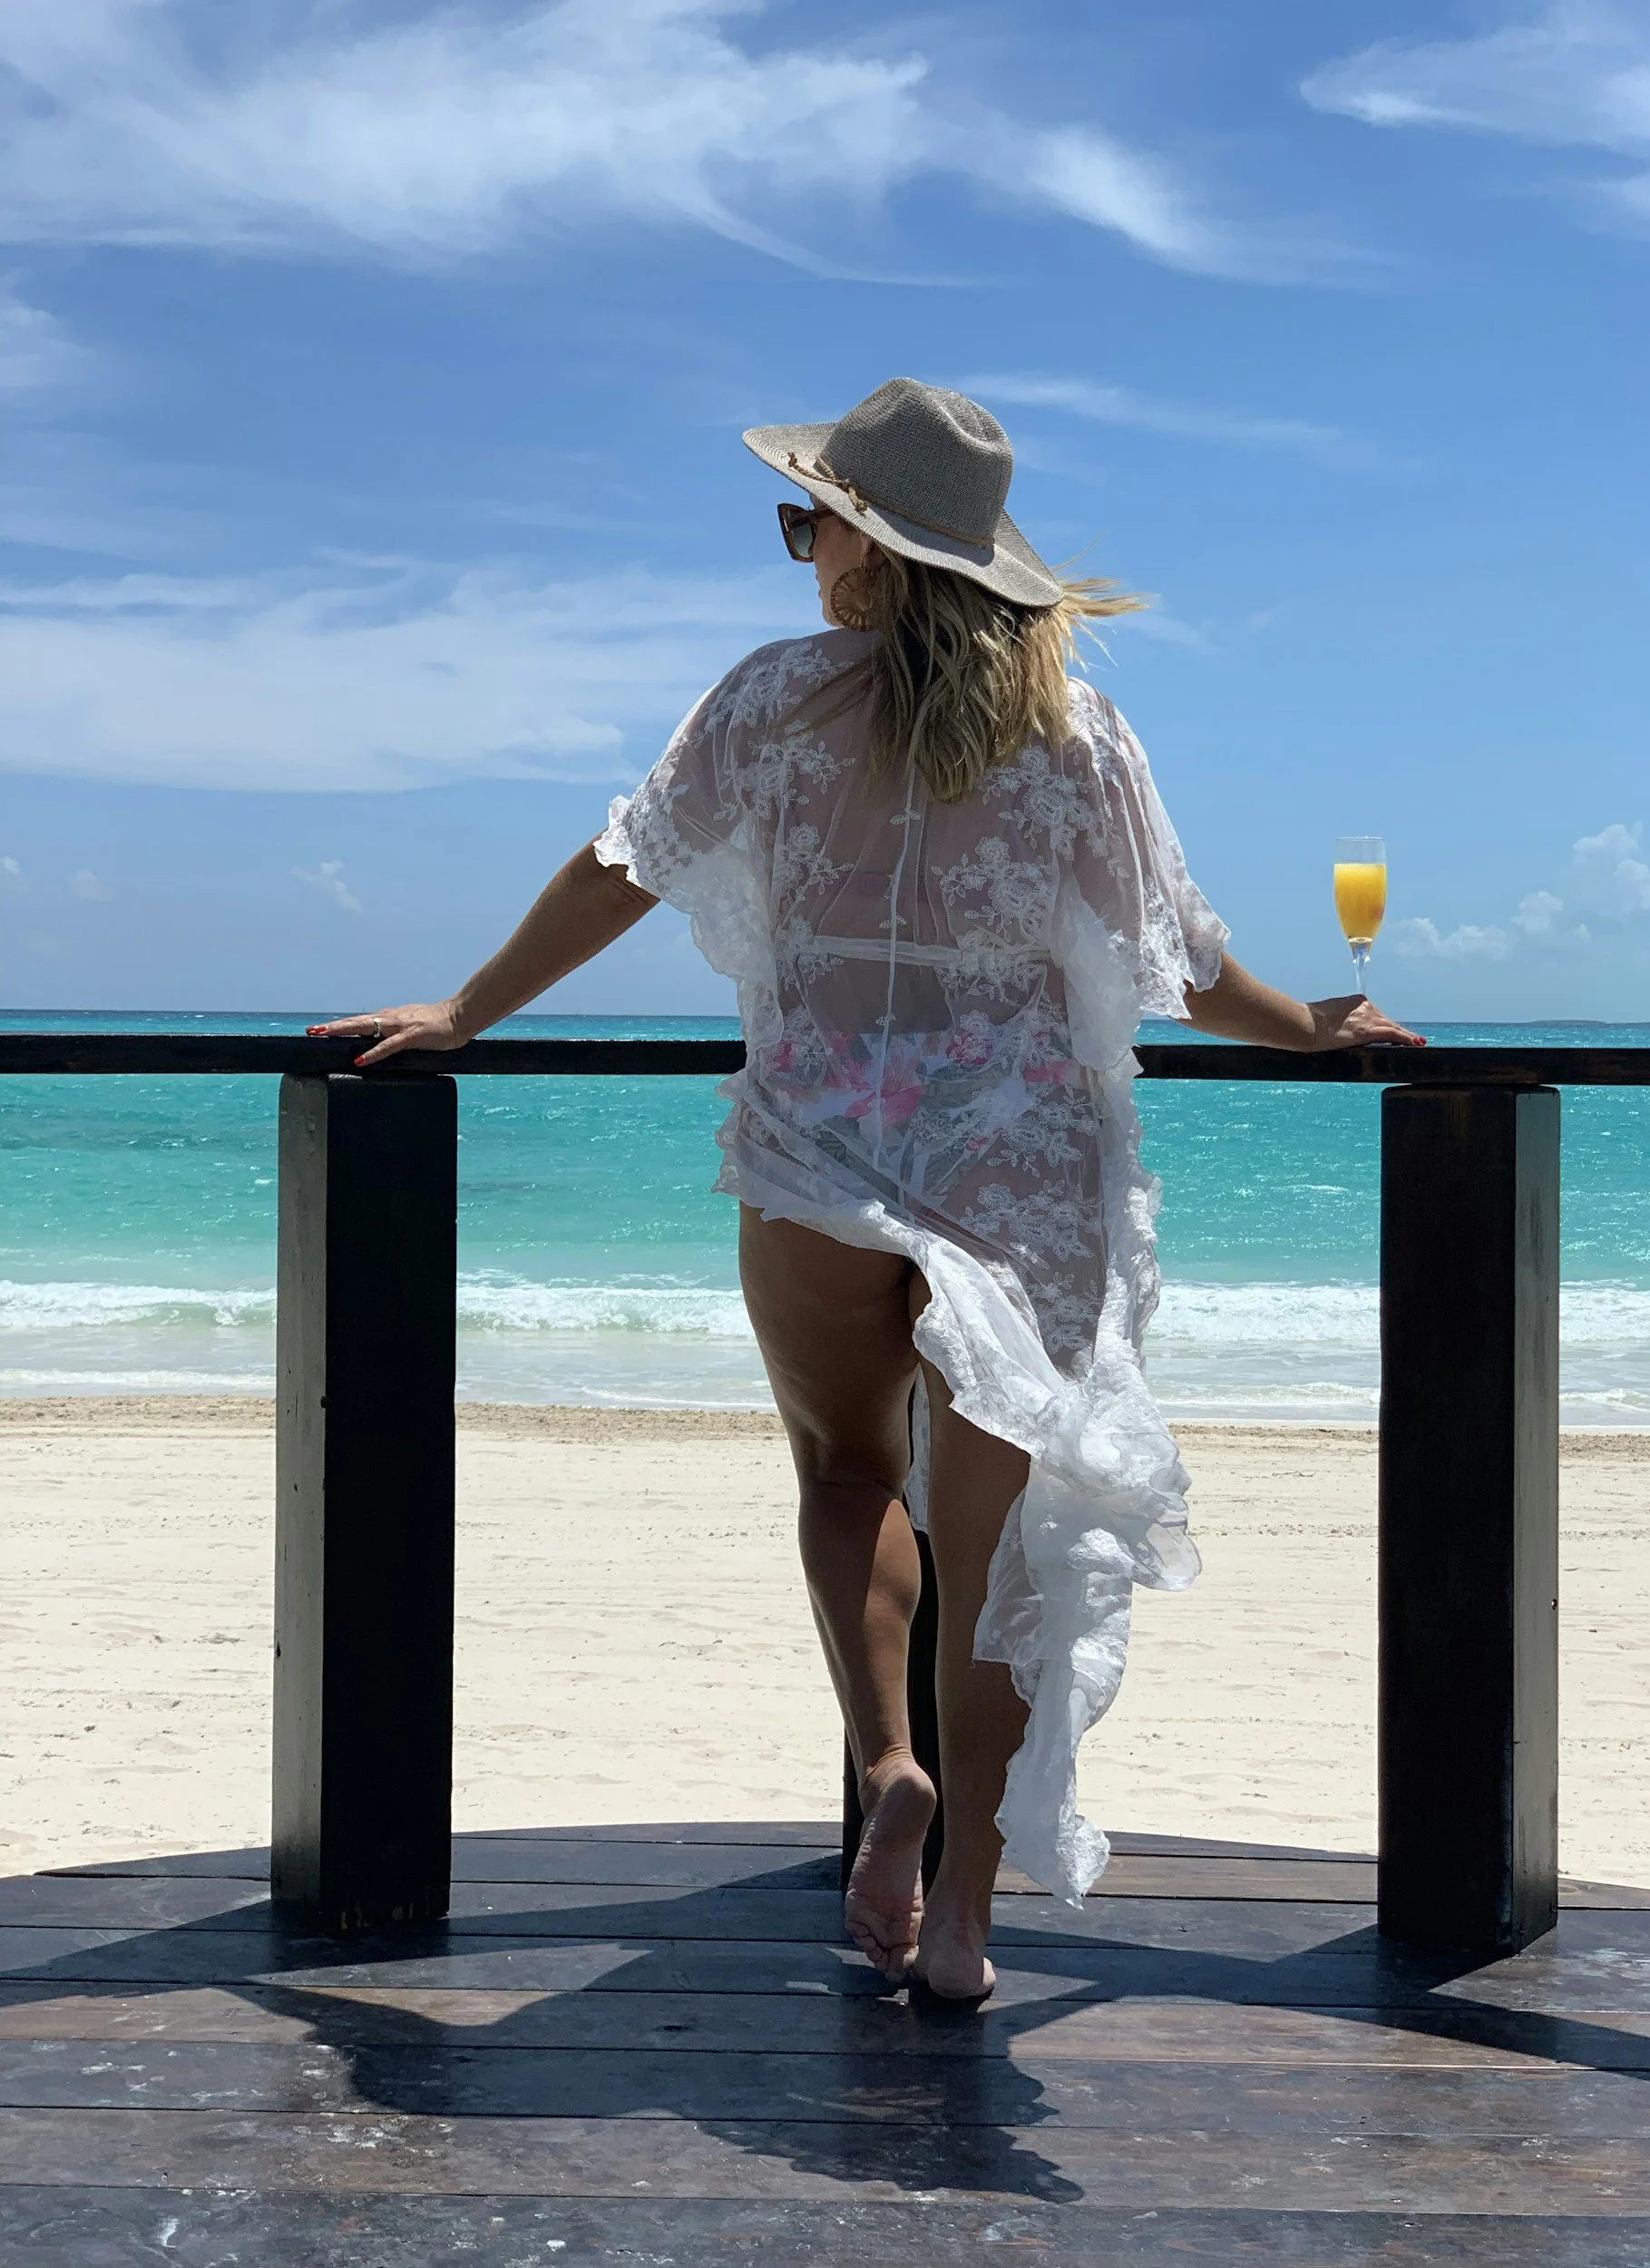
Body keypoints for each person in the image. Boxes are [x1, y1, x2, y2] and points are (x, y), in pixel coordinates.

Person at [312, 378, 1421, 2001]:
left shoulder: (772, 701)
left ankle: (885, 1758)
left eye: (805, 518)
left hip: (822, 1144)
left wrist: (463, 1014)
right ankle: (964, 1925)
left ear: (868, 551)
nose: (797, 545)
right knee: (998, 1560)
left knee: (844, 1475)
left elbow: (620, 865)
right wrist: (1312, 1032)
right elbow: (1181, 957)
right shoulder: (1080, 735)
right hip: (1018, 1164)